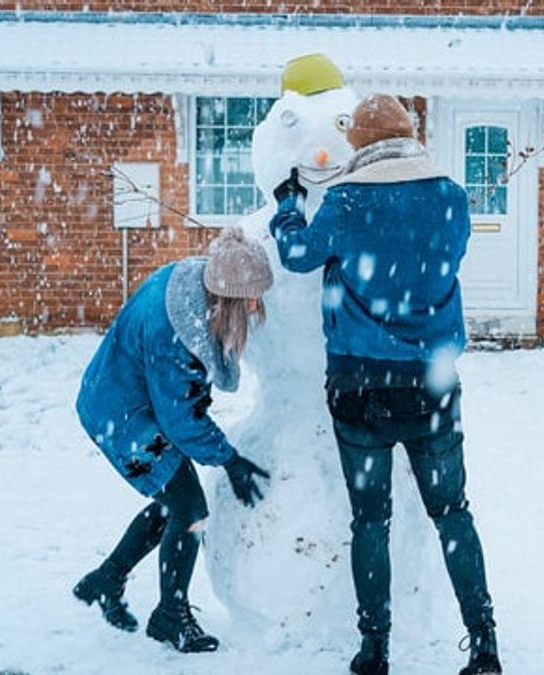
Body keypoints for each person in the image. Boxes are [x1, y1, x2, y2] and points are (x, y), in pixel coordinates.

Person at [269, 93, 502, 675]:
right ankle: (484, 641)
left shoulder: (347, 200)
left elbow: (298, 255)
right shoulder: (451, 197)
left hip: (360, 390)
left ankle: (374, 648)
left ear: (366, 143)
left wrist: (288, 208)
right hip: (433, 388)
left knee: (371, 520)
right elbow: (442, 259)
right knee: (452, 514)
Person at [72, 228, 273, 653]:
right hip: (122, 414)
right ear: (228, 298)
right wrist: (230, 460)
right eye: (251, 299)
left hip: (124, 396)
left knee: (176, 502)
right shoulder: (176, 334)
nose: (257, 307)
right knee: (191, 508)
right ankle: (170, 617)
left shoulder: (196, 286)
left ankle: (107, 579)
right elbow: (180, 420)